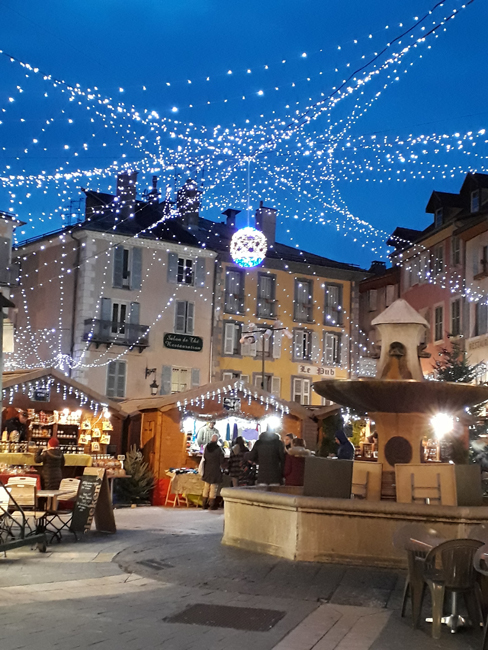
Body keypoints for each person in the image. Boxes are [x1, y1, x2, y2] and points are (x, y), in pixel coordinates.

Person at [201, 433, 224, 510]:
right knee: (213, 487)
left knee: (206, 486)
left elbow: (204, 456)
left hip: (207, 469)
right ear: (217, 440)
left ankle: (204, 504)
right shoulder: (218, 449)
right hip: (215, 470)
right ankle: (212, 504)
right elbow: (222, 460)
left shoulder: (206, 447)